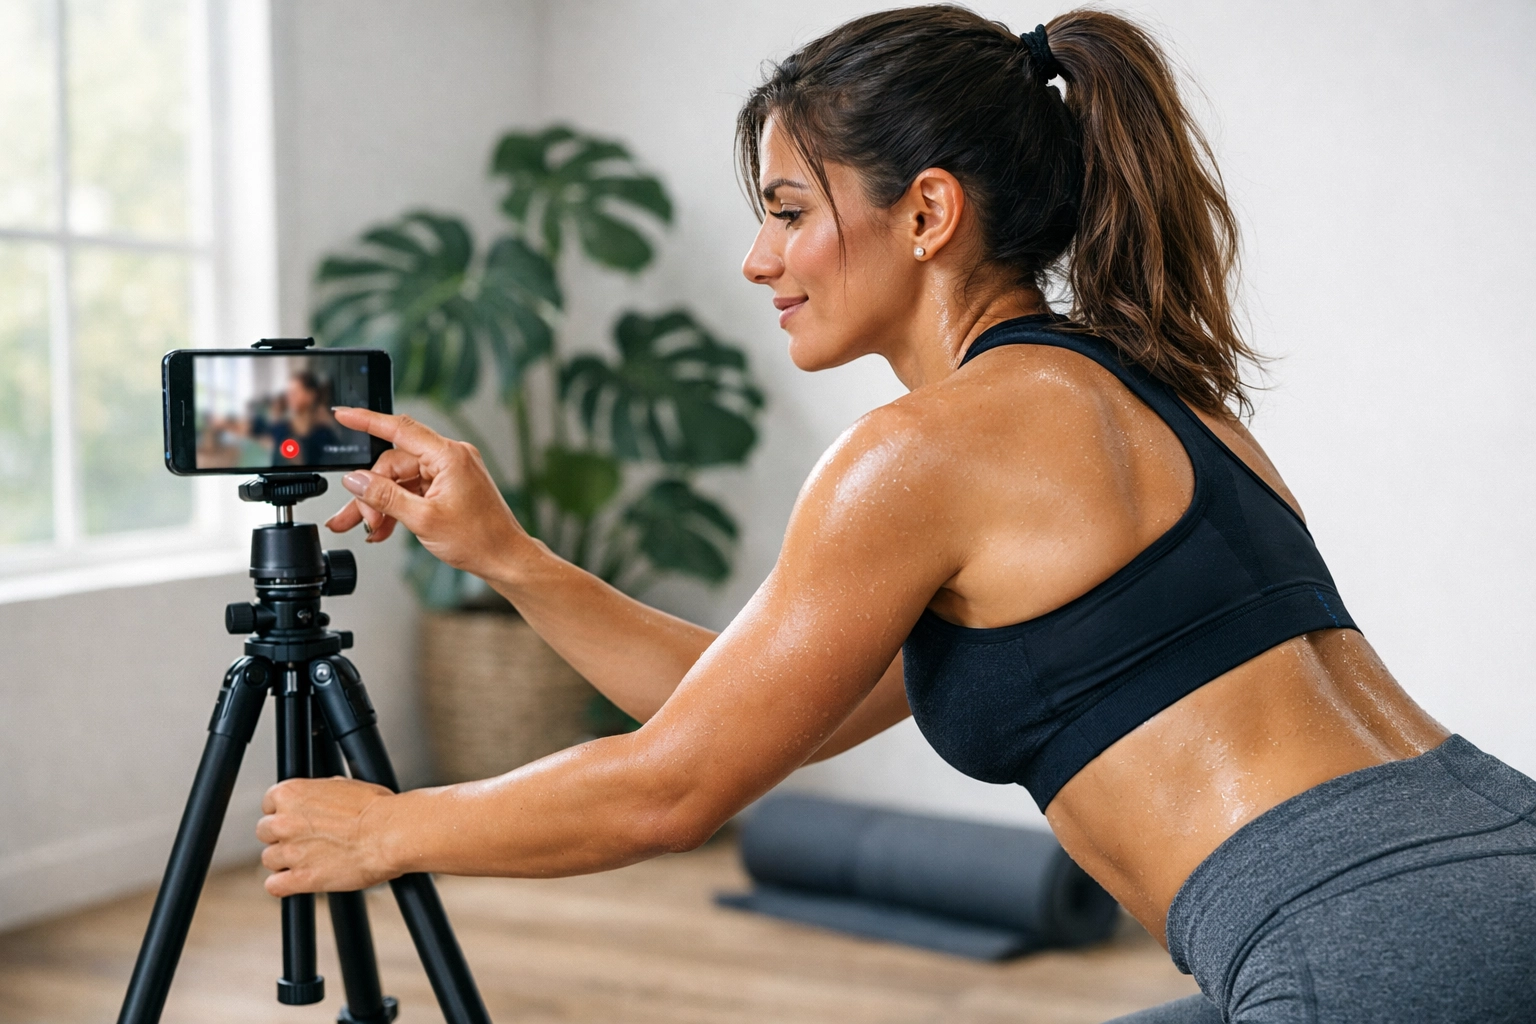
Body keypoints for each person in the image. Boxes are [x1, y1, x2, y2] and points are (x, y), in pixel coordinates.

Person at [256, 8, 1536, 1022]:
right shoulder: (1158, 399)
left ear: (926, 212)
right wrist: (511, 559)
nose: (760, 260)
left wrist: (391, 828)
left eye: (789, 211)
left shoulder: (920, 453)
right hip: (1496, 851)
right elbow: (736, 717)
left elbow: (673, 792)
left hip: (1360, 938)